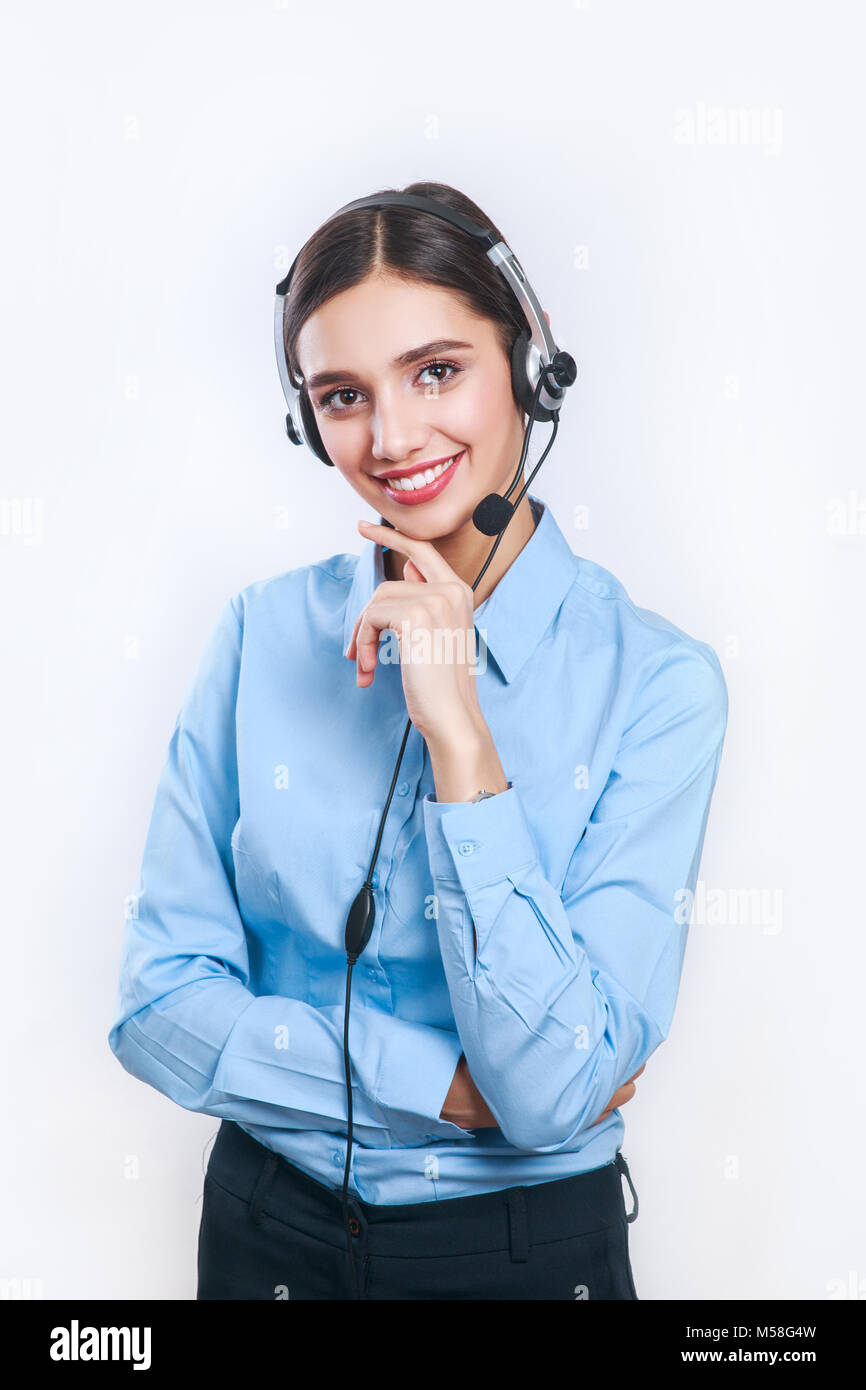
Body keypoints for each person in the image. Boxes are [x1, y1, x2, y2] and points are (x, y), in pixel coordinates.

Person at [108, 180, 728, 1301]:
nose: (392, 439)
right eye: (342, 395)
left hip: (521, 1255)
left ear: (529, 364)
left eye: (435, 371)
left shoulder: (660, 685)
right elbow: (156, 1007)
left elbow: (548, 1094)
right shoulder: (259, 635)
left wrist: (460, 742)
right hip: (265, 1233)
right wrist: (438, 1082)